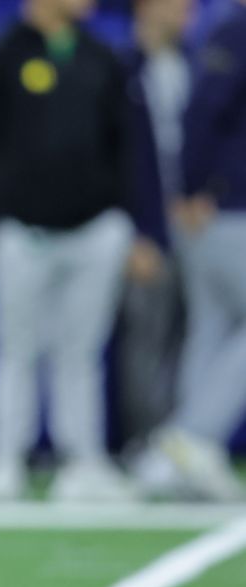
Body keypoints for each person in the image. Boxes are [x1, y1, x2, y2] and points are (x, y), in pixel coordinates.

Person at [0, 0, 136, 501]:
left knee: (81, 351)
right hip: (24, 231)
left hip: (95, 229)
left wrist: (127, 219)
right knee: (15, 346)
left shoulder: (102, 55)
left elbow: (126, 141)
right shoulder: (0, 55)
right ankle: (5, 460)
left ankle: (82, 461)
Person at [132, 0, 246, 501]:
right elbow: (205, 107)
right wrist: (198, 185)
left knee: (211, 329)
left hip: (219, 205)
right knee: (214, 325)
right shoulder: (236, 29)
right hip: (226, 207)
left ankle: (175, 459)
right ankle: (194, 437)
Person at [114, 0, 192, 447]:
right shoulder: (123, 67)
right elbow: (120, 158)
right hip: (145, 227)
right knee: (145, 340)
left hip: (194, 226)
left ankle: (182, 444)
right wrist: (134, 230)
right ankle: (143, 443)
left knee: (186, 340)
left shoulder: (190, 64)